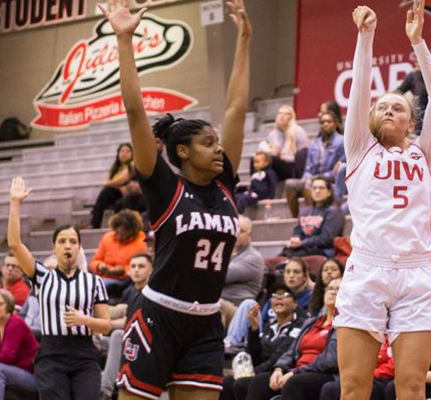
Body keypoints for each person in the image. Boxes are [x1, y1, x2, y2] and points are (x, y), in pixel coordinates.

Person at [102, 0, 251, 397]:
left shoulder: (224, 184)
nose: (219, 150)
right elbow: (135, 110)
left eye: (218, 142)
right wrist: (123, 39)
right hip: (158, 316)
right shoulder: (165, 185)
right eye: (208, 143)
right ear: (182, 152)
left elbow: (237, 107)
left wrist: (244, 39)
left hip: (204, 322)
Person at [337, 4, 431, 400]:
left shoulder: (424, 153)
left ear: (410, 123)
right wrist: (365, 36)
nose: (388, 109)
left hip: (416, 275)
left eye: (398, 106)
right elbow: (360, 89)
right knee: (352, 387)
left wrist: (418, 43)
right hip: (367, 270)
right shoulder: (359, 149)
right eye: (381, 106)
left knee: (413, 387)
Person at [8, 177, 111, 400]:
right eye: (62, 241)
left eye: (73, 242)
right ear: (53, 247)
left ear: (79, 248)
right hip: (51, 354)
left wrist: (86, 321)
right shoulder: (42, 276)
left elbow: (106, 325)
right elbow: (15, 244)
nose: (68, 245)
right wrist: (15, 202)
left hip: (85, 355)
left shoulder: (94, 282)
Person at [248, 278, 341, 400]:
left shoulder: (342, 324)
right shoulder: (310, 323)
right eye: (330, 288)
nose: (333, 292)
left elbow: (330, 360)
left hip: (322, 374)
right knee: (259, 381)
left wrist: (296, 372)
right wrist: (279, 368)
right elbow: (290, 352)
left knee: (295, 383)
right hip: (298, 371)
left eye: (338, 289)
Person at [221, 283, 307, 400]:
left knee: (243, 383)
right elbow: (255, 357)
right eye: (275, 295)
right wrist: (254, 329)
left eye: (284, 295)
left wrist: (252, 372)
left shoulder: (300, 325)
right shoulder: (269, 325)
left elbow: (280, 355)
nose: (278, 297)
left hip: (280, 371)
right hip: (261, 372)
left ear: (295, 304)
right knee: (226, 382)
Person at [226, 259, 313, 354]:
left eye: (296, 272)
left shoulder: (310, 297)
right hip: (266, 336)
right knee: (249, 304)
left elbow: (307, 324)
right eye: (288, 272)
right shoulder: (274, 299)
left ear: (305, 276)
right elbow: (262, 324)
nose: (291, 275)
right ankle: (231, 344)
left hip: (288, 337)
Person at [100, 252, 152, 400]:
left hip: (147, 341)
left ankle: (105, 391)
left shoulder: (152, 293)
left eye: (141, 266)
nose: (136, 270)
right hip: (129, 339)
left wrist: (104, 325)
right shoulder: (130, 291)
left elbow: (139, 322)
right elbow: (124, 315)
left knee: (117, 335)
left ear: (151, 270)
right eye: (133, 266)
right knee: (94, 338)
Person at [285, 112, 346, 218]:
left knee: (310, 184)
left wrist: (318, 178)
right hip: (313, 179)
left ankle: (315, 217)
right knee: (290, 184)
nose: (325, 124)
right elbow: (308, 168)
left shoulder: (342, 142)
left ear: (336, 124)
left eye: (329, 121)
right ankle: (297, 218)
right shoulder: (315, 144)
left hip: (330, 181)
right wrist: (307, 177)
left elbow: (339, 169)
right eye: (323, 122)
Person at [281, 177, 346, 258]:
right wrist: (296, 239)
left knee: (293, 257)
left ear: (329, 192)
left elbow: (326, 240)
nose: (317, 191)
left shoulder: (334, 212)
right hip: (305, 248)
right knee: (283, 254)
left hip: (323, 251)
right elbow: (297, 232)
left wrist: (302, 243)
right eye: (314, 188)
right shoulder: (305, 212)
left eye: (321, 188)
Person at [90, 209, 148, 295]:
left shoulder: (141, 242)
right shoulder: (107, 237)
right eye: (117, 233)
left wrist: (122, 271)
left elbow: (143, 266)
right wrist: (99, 266)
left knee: (97, 287)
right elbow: (95, 261)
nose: (119, 237)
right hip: (103, 277)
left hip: (125, 281)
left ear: (132, 231)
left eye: (123, 234)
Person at [220, 216, 264, 324]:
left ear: (250, 235)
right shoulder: (223, 252)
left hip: (239, 310)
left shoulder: (253, 258)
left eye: (241, 231)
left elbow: (220, 276)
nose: (235, 234)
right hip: (222, 303)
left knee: (215, 305)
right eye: (233, 230)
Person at [91, 143, 134, 228]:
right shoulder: (115, 167)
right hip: (116, 191)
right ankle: (95, 221)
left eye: (127, 151)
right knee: (105, 193)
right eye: (122, 151)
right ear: (118, 154)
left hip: (127, 193)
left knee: (106, 192)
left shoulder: (133, 164)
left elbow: (122, 179)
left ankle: (95, 222)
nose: (124, 153)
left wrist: (111, 183)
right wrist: (117, 186)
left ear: (132, 154)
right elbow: (108, 182)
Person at [267, 105, 311, 181]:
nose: (282, 116)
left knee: (274, 161)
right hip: (277, 163)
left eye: (286, 114)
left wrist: (283, 157)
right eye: (280, 113)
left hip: (292, 166)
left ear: (291, 117)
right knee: (256, 160)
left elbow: (303, 157)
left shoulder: (298, 131)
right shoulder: (272, 134)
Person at [394, 63, 428, 135]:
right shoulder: (413, 75)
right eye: (418, 61)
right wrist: (389, 95)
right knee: (418, 101)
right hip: (420, 102)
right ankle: (419, 130)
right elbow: (401, 89)